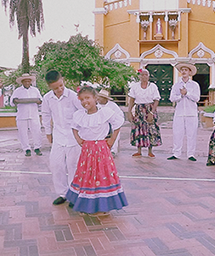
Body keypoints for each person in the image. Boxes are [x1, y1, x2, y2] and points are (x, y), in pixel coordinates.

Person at [66, 86, 128, 215]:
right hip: (87, 151)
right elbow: (74, 127)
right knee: (87, 175)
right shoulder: (79, 115)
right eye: (82, 99)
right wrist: (78, 139)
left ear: (95, 98)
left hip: (101, 149)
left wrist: (111, 140)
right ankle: (87, 204)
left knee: (101, 174)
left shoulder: (104, 112)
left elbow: (118, 124)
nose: (84, 102)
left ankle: (103, 206)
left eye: (87, 98)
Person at [41, 70, 83, 205]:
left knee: (73, 165)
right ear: (49, 86)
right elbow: (46, 115)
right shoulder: (47, 98)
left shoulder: (73, 96)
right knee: (56, 164)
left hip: (74, 136)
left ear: (62, 80)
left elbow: (82, 112)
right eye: (55, 88)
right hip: (58, 135)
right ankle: (62, 193)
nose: (59, 89)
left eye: (61, 85)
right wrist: (48, 133)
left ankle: (74, 194)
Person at [167, 63, 201, 161]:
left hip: (191, 113)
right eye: (182, 70)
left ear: (190, 72)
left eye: (186, 70)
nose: (184, 72)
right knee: (177, 133)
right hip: (180, 112)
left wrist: (187, 93)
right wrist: (181, 96)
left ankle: (191, 154)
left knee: (192, 134)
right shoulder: (176, 85)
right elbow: (172, 98)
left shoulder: (194, 85)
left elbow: (196, 98)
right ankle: (176, 153)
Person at [127, 68, 162, 157]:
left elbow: (156, 100)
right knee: (138, 128)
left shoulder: (153, 86)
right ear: (139, 76)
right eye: (142, 75)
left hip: (149, 108)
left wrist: (151, 112)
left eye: (146, 75)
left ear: (149, 76)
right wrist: (129, 111)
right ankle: (139, 150)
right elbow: (131, 99)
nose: (144, 76)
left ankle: (150, 151)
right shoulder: (135, 86)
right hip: (139, 109)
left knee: (151, 129)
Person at [10, 73, 43, 157]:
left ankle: (37, 147)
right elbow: (13, 102)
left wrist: (38, 101)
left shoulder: (35, 90)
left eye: (29, 81)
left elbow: (40, 101)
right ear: (22, 82)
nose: (27, 83)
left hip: (33, 114)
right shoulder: (17, 91)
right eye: (25, 81)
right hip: (22, 115)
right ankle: (26, 149)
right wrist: (16, 101)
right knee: (23, 132)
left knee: (37, 131)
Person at [96, 88, 125, 156]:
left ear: (105, 99)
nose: (98, 99)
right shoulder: (97, 105)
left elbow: (120, 115)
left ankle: (113, 150)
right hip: (101, 124)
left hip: (112, 124)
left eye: (100, 98)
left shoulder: (112, 106)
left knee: (115, 134)